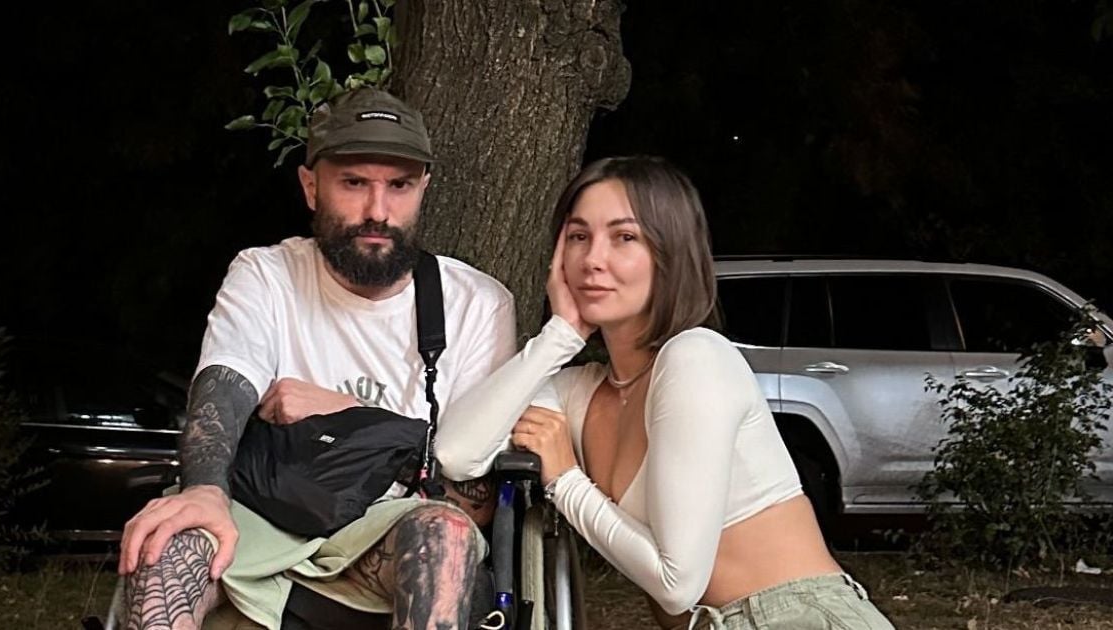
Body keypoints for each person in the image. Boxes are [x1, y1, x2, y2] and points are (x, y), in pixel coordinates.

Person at [435, 156, 894, 629]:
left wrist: (566, 480)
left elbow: (677, 583)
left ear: (668, 254)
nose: (593, 259)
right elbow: (457, 454)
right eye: (578, 236)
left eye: (624, 237)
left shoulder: (695, 358)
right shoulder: (581, 392)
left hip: (792, 616)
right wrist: (561, 335)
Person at [117, 88, 516, 630]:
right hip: (261, 516)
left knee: (444, 535)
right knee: (169, 540)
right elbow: (225, 380)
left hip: (389, 530)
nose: (377, 212)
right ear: (311, 186)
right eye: (353, 183)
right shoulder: (266, 275)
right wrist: (204, 489)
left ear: (424, 188)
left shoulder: (477, 304)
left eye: (399, 186)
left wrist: (346, 413)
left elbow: (476, 504)